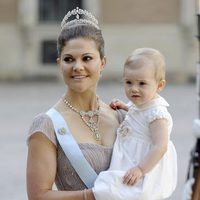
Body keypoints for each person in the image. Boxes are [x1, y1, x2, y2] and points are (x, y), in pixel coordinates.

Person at [26, 7, 122, 200]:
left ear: (102, 63)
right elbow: (38, 196)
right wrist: (93, 195)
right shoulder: (47, 125)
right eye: (69, 59)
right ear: (59, 63)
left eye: (87, 58)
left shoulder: (122, 117)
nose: (78, 67)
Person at [92, 48, 178, 200]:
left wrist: (140, 169)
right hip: (129, 155)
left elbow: (161, 146)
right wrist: (125, 107)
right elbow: (138, 113)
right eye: (128, 82)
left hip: (143, 161)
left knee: (126, 188)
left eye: (142, 83)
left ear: (159, 86)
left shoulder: (157, 115)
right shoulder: (140, 103)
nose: (134, 89)